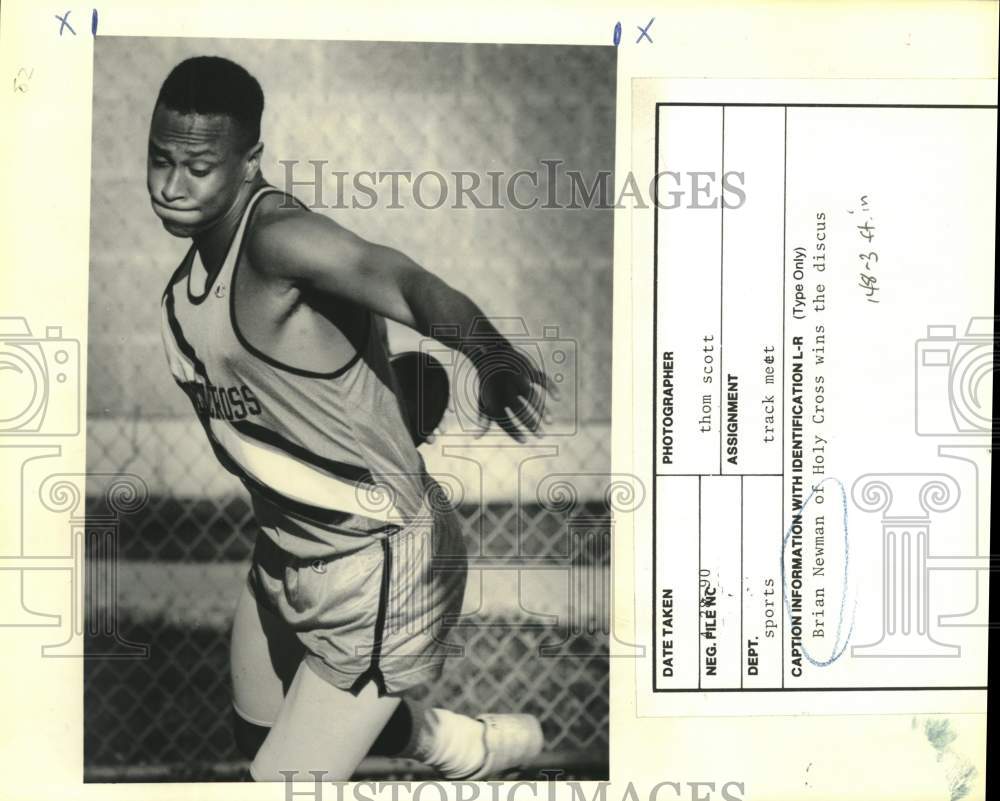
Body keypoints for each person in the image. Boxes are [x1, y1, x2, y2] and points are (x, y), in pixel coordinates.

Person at [152, 56, 553, 781]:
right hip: (282, 554)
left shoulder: (278, 241)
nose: (173, 184)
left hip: (378, 566)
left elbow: (398, 277)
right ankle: (456, 742)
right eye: (161, 160)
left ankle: (453, 741)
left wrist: (487, 352)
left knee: (278, 783)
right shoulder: (185, 292)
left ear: (248, 164)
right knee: (257, 736)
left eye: (198, 166)